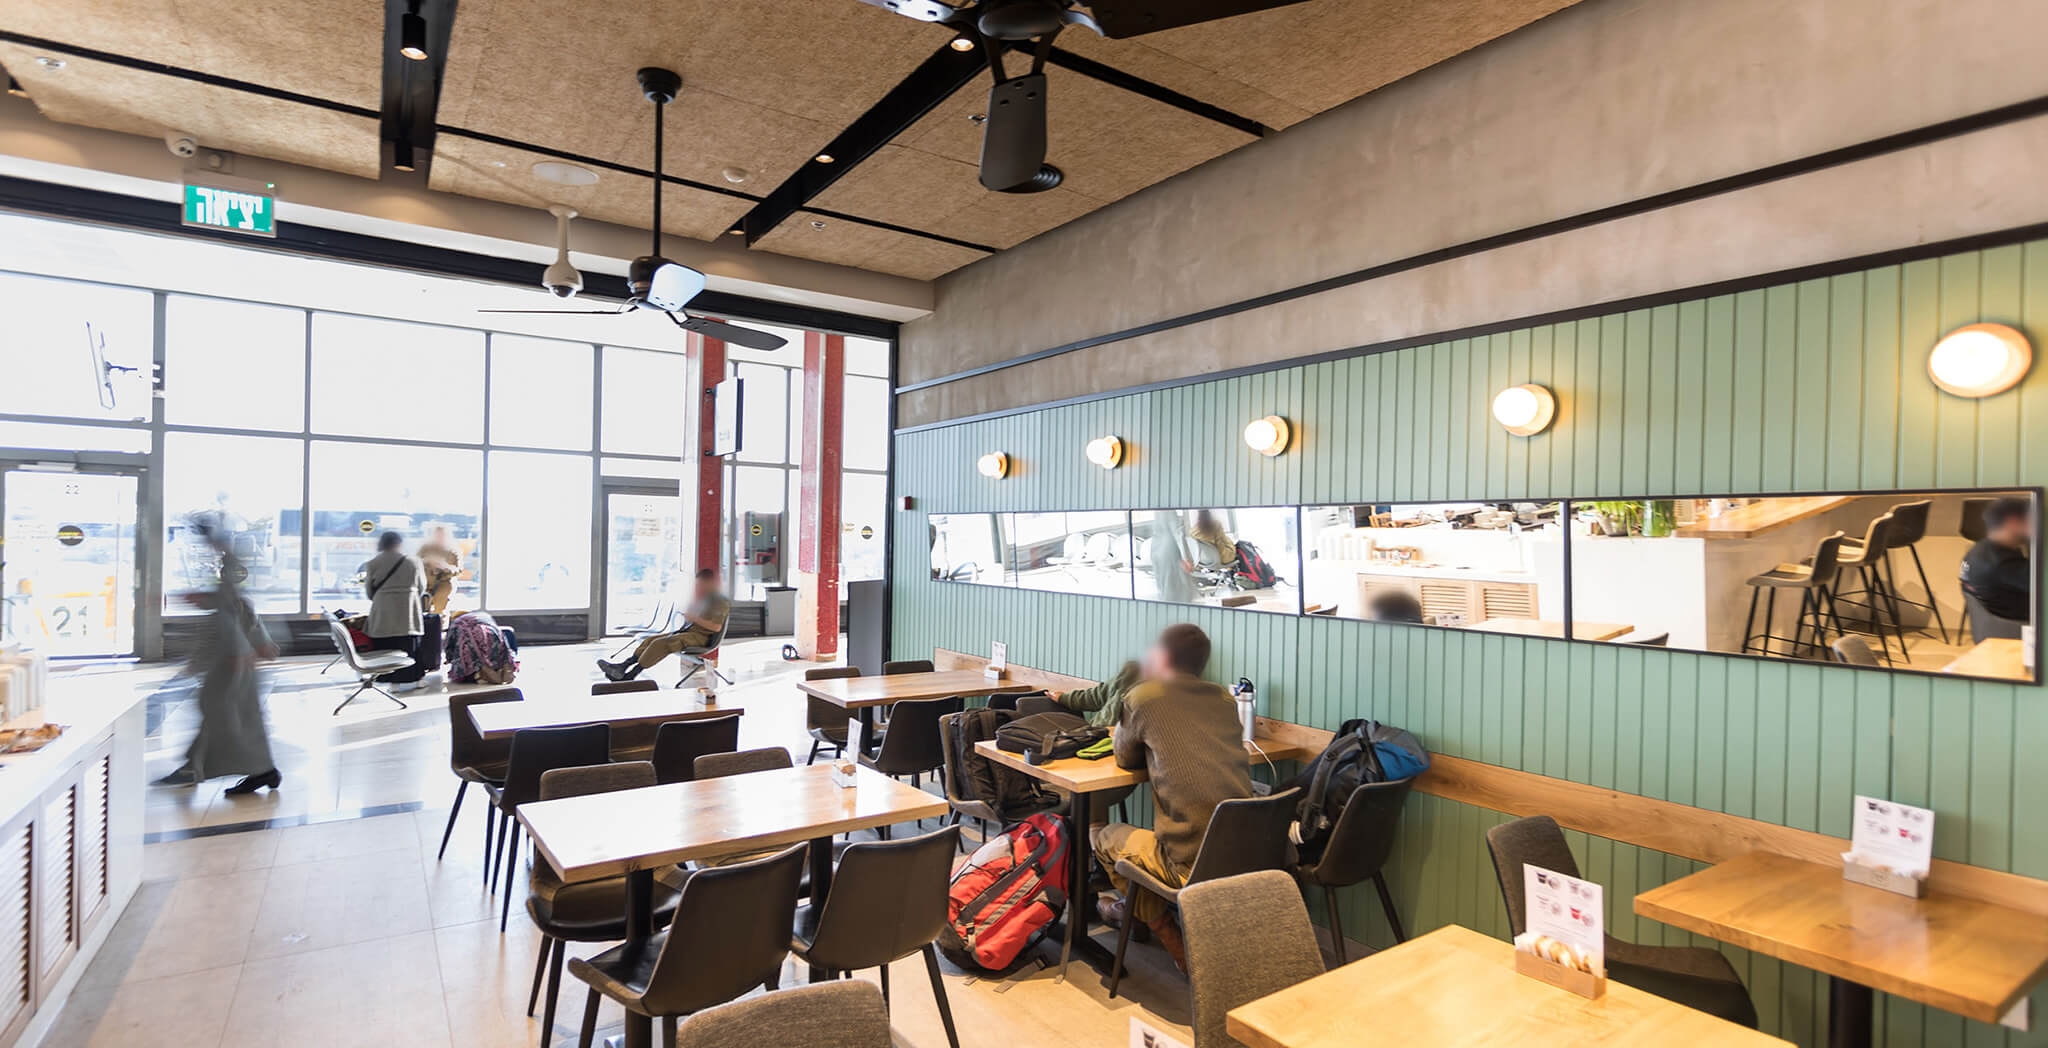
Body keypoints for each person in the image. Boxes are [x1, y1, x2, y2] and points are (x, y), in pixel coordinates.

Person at [1091, 623, 1250, 970]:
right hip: (1247, 856)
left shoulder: (1142, 697)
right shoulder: (1224, 697)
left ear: (1161, 657)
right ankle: (1136, 910)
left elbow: (1124, 758)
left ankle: (1167, 936)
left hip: (1189, 865)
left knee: (1102, 835)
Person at [155, 520, 281, 793]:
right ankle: (196, 766)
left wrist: (215, 541)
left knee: (226, 716)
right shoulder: (226, 592)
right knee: (221, 715)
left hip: (233, 662)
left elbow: (232, 611)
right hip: (232, 660)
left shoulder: (229, 585)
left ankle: (262, 770)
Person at [597, 568, 730, 681]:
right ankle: (623, 666)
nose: (699, 587)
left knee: (660, 644)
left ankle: (630, 675)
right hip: (691, 633)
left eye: (701, 584)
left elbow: (716, 627)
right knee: (651, 639)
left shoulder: (720, 601)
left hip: (702, 638)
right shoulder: (706, 599)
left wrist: (694, 618)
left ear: (709, 583)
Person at [359, 530, 427, 691]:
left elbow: (369, 591)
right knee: (409, 645)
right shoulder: (414, 562)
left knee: (385, 645)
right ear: (399, 543)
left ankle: (390, 681)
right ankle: (416, 680)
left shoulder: (373, 563)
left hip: (383, 611)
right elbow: (421, 587)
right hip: (408, 611)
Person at [1961, 496, 2033, 623]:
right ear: (2013, 522)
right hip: (2019, 628)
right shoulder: (2004, 564)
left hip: (1993, 626)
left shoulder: (1978, 551)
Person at [418, 525, 462, 616]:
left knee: (439, 611)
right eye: (437, 535)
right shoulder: (425, 548)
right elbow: (415, 563)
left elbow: (458, 570)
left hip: (443, 583)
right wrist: (427, 562)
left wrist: (444, 567)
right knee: (423, 608)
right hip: (426, 584)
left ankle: (439, 627)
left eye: (442, 535)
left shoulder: (453, 551)